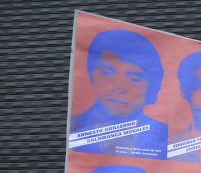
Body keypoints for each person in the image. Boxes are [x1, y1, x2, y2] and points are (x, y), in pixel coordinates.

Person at [69, 29, 168, 159]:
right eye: (106, 72)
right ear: (92, 75)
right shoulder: (72, 127)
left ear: (151, 86)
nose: (118, 87)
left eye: (134, 78)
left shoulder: (167, 136)